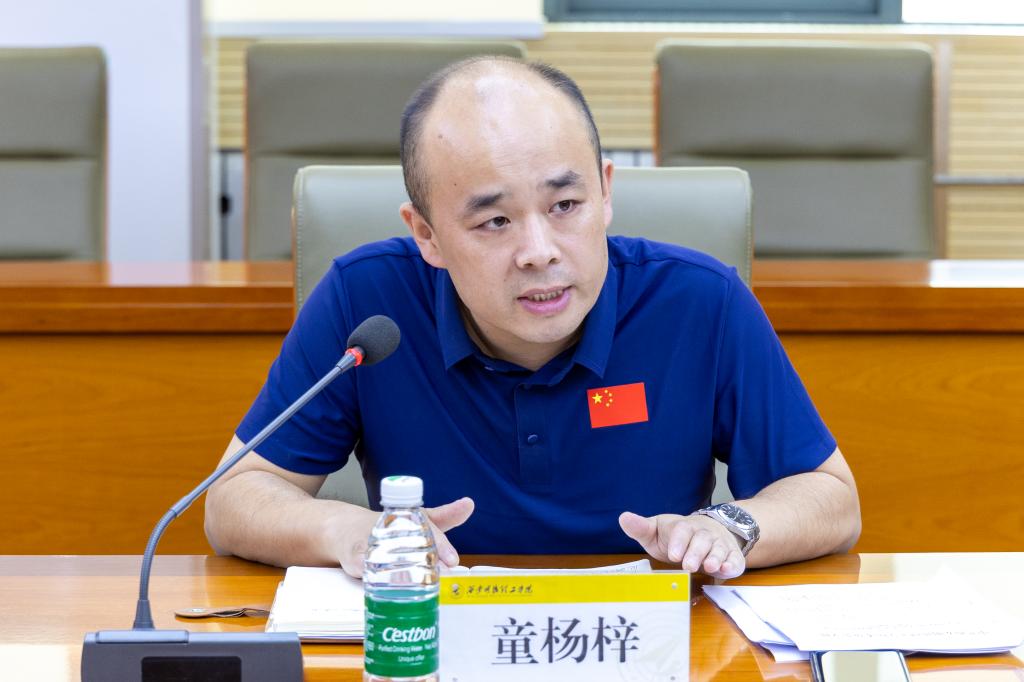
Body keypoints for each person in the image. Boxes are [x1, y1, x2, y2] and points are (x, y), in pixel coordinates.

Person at [205, 56, 860, 580]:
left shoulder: (700, 301)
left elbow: (830, 496)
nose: (539, 251)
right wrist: (348, 529)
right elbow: (235, 497)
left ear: (606, 191)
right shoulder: (367, 301)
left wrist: (729, 527)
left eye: (566, 205)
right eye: (495, 221)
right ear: (427, 234)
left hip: (649, 642)